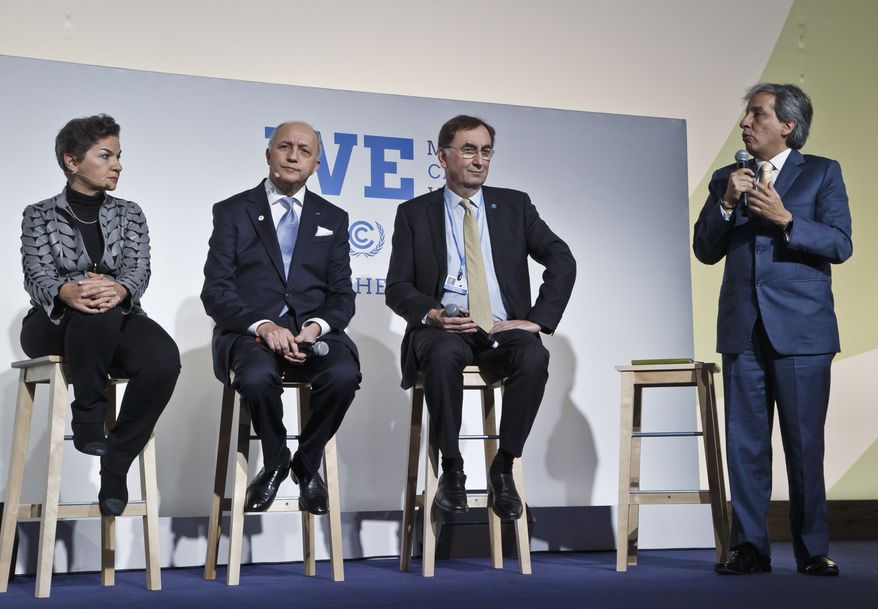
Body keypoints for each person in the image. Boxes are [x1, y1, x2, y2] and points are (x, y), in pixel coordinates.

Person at [694, 84, 852, 576]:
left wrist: (787, 220)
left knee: (804, 445)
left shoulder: (822, 172)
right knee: (745, 445)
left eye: (757, 114)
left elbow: (841, 243)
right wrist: (724, 202)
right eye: (745, 114)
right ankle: (749, 547)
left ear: (788, 125)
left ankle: (812, 549)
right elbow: (705, 248)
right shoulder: (728, 177)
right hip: (743, 328)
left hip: (802, 333)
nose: (745, 122)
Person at [385, 115, 576, 521]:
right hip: (445, 327)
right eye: (469, 149)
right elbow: (397, 287)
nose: (479, 160)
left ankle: (504, 468)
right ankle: (451, 468)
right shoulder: (414, 213)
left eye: (485, 151)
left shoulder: (514, 205)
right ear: (443, 156)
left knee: (534, 356)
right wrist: (433, 313)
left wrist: (538, 320)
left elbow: (562, 258)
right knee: (440, 353)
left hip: (500, 328)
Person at [20, 114, 180, 517]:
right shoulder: (38, 214)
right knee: (95, 307)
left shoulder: (131, 213)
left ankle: (117, 461)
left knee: (162, 360)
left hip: (116, 311)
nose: (117, 165)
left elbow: (138, 269)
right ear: (72, 161)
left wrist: (120, 289)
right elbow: (35, 274)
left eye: (119, 156)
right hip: (52, 321)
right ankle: (88, 418)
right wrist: (66, 290)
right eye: (106, 156)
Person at [201, 121, 360, 515]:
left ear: (316, 164)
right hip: (251, 333)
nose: (293, 156)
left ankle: (306, 464)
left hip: (312, 331)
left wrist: (316, 326)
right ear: (268, 154)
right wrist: (264, 326)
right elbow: (216, 291)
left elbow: (342, 295)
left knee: (343, 375)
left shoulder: (334, 218)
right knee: (255, 377)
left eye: (304, 151)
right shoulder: (233, 211)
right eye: (284, 146)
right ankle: (275, 460)